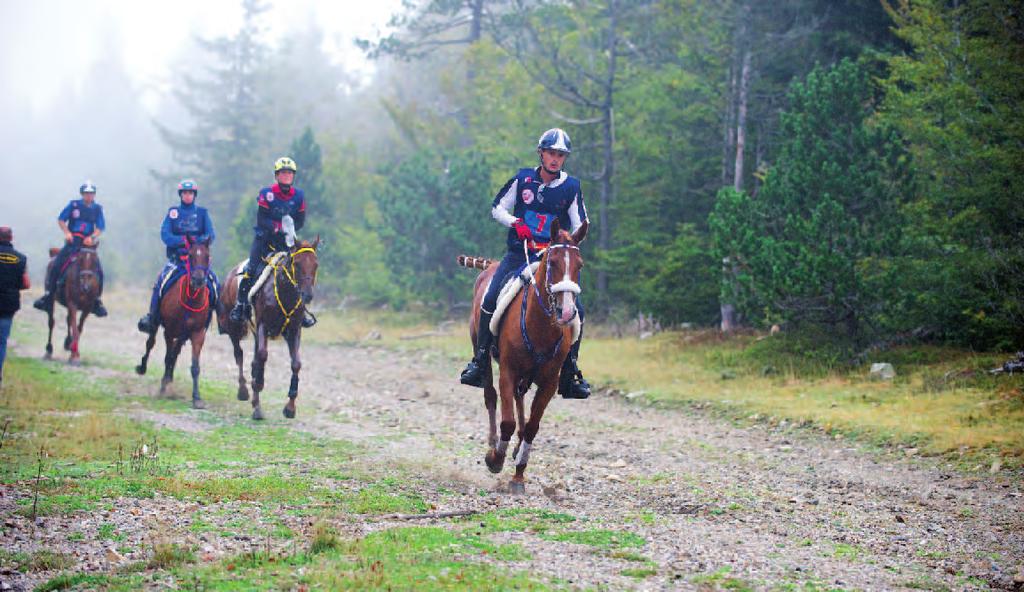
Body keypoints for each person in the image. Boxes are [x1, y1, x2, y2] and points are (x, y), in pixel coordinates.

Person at [459, 128, 591, 399]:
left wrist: (566, 240)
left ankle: (570, 371)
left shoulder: (572, 187)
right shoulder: (523, 179)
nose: (555, 159)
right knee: (491, 297)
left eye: (560, 155)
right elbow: (498, 208)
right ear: (541, 153)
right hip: (519, 254)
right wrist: (515, 222)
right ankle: (480, 359)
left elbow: (580, 223)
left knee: (577, 309)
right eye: (551, 153)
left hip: (551, 259)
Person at [228, 157, 314, 327]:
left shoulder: (299, 196)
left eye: (289, 173)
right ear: (277, 175)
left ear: (293, 176)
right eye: (283, 173)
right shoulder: (266, 193)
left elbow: (300, 221)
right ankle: (241, 305)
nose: (286, 176)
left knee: (297, 271)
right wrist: (276, 228)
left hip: (287, 242)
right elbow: (261, 219)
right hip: (264, 241)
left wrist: (289, 229)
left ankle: (301, 310)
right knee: (250, 269)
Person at [137, 179, 217, 333]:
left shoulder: (202, 213)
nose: (188, 196)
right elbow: (165, 234)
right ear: (181, 195)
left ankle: (221, 316)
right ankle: (152, 317)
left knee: (214, 283)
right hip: (177, 261)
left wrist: (196, 244)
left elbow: (211, 234)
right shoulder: (173, 213)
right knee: (160, 282)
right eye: (185, 193)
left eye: (190, 193)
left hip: (197, 262)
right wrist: (182, 242)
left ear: (194, 195)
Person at [33, 181, 108, 316]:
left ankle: (97, 300)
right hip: (73, 241)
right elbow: (61, 219)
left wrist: (92, 237)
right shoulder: (74, 205)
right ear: (82, 194)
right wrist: (67, 233)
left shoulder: (97, 209)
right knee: (56, 265)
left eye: (91, 194)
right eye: (86, 193)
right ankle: (48, 295)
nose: (89, 196)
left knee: (99, 270)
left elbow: (101, 227)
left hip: (88, 245)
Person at [0, 226, 30, 388]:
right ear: (11, 238)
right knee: (2, 341)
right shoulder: (21, 258)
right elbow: (26, 284)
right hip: (8, 304)